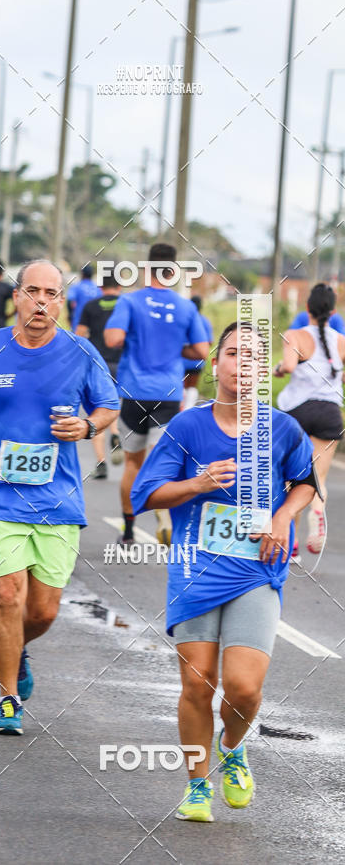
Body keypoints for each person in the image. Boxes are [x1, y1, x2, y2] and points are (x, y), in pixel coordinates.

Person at [131, 321, 316, 822]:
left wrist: (283, 515)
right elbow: (143, 495)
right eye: (234, 353)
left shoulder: (282, 428)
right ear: (216, 365)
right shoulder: (188, 427)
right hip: (195, 569)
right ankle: (197, 785)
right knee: (197, 684)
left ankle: (232, 748)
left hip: (257, 570)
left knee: (244, 687)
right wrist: (196, 483)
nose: (242, 364)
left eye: (253, 357)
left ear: (264, 372)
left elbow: (305, 482)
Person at [0, 260, 119, 735]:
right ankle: (8, 698)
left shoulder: (81, 352)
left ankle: (17, 650)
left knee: (42, 611)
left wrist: (87, 426)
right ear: (16, 296)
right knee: (6, 595)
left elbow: (109, 406)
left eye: (50, 294)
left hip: (58, 497)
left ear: (61, 302)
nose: (40, 301)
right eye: (32, 291)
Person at [104, 243, 209, 546]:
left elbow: (113, 338)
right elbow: (202, 351)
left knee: (132, 464)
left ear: (146, 268)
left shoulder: (130, 302)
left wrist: (135, 338)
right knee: (161, 460)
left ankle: (127, 529)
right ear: (174, 271)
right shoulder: (186, 307)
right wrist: (176, 347)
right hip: (169, 394)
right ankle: (163, 515)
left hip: (134, 393)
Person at [276, 283, 345, 556]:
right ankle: (317, 512)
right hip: (330, 413)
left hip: (298, 411)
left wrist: (278, 369)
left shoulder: (295, 335)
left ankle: (289, 542)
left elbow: (290, 366)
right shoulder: (341, 340)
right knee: (319, 478)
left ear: (307, 309)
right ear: (333, 311)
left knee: (289, 478)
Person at [76, 271, 123, 478]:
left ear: (100, 287)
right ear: (119, 287)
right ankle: (115, 433)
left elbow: (79, 335)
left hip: (97, 363)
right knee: (112, 404)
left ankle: (101, 461)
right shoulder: (126, 305)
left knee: (97, 410)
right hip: (121, 363)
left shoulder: (91, 306)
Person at [182, 295, 213, 410]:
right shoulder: (205, 321)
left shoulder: (184, 319)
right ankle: (189, 409)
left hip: (183, 359)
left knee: (182, 385)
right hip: (198, 360)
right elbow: (210, 341)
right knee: (192, 386)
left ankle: (180, 409)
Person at [66, 263, 101, 331]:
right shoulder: (98, 289)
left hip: (78, 323)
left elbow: (70, 302)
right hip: (94, 324)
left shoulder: (76, 287)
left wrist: (70, 317)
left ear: (82, 274)